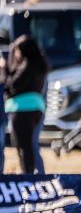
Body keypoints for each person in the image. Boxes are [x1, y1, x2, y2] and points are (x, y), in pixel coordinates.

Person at [3, 35, 49, 174]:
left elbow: (12, 86)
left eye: (17, 51)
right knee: (31, 145)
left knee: (23, 146)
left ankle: (29, 176)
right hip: (38, 108)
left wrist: (6, 70)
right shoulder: (40, 65)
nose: (15, 54)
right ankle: (35, 174)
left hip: (22, 109)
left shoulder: (27, 65)